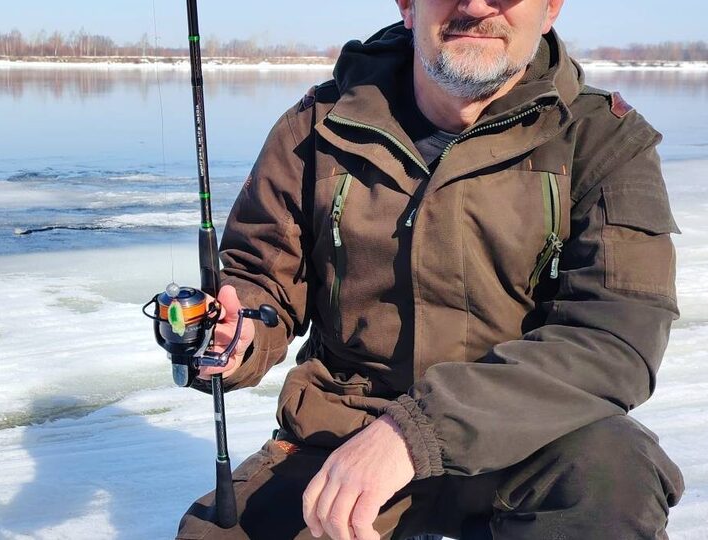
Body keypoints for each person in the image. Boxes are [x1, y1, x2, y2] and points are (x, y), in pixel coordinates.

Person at [175, 0, 684, 539]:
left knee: (612, 474)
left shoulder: (603, 140)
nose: (475, 5)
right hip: (344, 429)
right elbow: (260, 277)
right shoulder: (317, 128)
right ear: (407, 5)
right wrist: (238, 331)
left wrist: (415, 434)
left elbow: (613, 341)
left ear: (550, 7)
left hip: (532, 440)